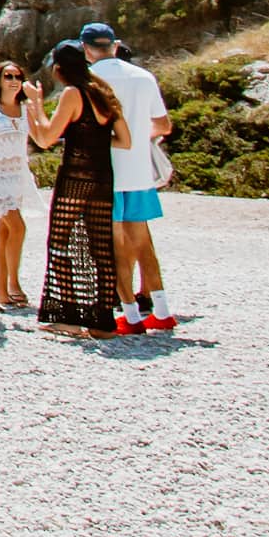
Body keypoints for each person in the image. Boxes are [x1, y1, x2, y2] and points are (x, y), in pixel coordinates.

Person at [26, 41, 132, 339]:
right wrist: (95, 142)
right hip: (102, 178)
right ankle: (102, 321)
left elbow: (46, 138)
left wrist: (34, 105)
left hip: (75, 177)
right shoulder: (104, 93)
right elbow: (125, 140)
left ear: (59, 68)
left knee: (61, 243)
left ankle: (68, 316)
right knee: (100, 247)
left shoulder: (73, 94)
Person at [83, 22, 176, 333]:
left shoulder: (89, 80)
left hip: (106, 173)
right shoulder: (143, 76)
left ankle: (130, 315)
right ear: (115, 44)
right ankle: (161, 311)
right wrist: (138, 136)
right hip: (139, 172)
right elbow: (163, 126)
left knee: (114, 245)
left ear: (86, 49)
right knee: (142, 242)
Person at [0, 59, 45, 311]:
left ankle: (1, 291)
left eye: (17, 76)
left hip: (17, 174)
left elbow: (42, 138)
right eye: (8, 76)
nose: (14, 81)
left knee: (5, 232)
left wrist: (37, 103)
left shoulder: (25, 109)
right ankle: (14, 283)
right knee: (17, 226)